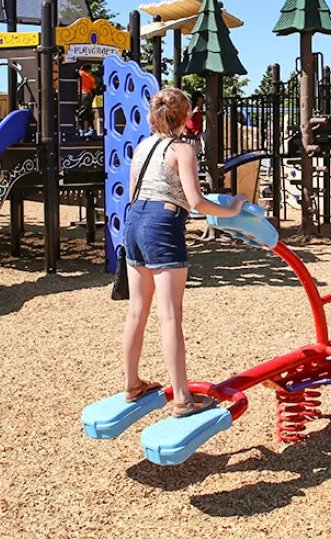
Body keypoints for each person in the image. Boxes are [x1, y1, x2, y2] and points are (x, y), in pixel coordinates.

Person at [123, 87, 247, 417]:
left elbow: (137, 188)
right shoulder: (182, 149)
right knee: (169, 315)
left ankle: (132, 383)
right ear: (186, 116)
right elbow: (196, 202)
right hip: (161, 224)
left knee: (138, 310)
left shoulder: (143, 146)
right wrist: (233, 209)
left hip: (133, 220)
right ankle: (182, 398)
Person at [78, 64, 97, 134]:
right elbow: (94, 90)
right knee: (89, 113)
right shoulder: (91, 78)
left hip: (82, 94)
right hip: (89, 95)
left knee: (81, 112)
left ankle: (81, 130)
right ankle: (92, 130)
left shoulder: (80, 73)